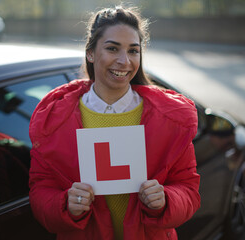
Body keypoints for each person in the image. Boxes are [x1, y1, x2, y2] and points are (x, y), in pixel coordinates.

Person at [29, 5, 200, 240]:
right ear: (90, 53)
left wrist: (166, 200)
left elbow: (188, 188)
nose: (124, 61)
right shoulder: (54, 121)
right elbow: (40, 188)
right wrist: (64, 203)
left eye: (133, 51)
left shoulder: (170, 120)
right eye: (112, 48)